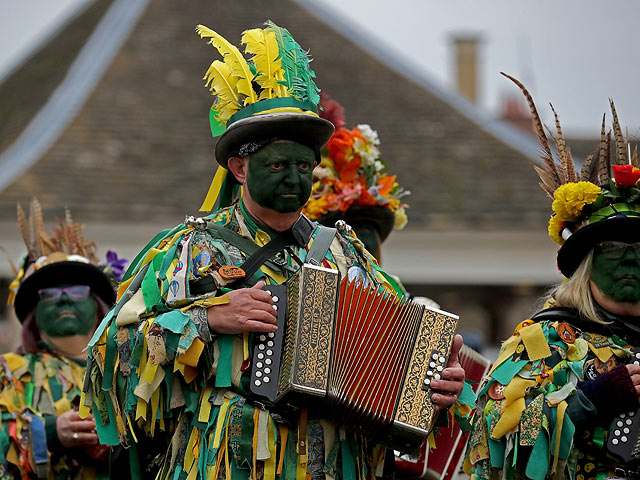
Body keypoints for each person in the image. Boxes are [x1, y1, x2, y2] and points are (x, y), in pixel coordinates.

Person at [81, 21, 467, 480]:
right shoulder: (186, 250)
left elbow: (405, 382)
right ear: (240, 168)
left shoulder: (350, 256)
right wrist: (207, 320)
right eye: (279, 164)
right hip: (225, 466)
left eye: (304, 166)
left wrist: (436, 389)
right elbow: (105, 359)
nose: (294, 178)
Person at [464, 74, 640, 479]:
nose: (630, 260)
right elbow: (492, 439)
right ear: (586, 263)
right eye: (613, 249)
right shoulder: (545, 339)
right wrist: (592, 397)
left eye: (639, 248)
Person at [0, 199, 125, 479]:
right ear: (34, 314)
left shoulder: (130, 368)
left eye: (76, 290)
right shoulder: (7, 371)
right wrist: (50, 433)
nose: (65, 297)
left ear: (97, 306)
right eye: (50, 294)